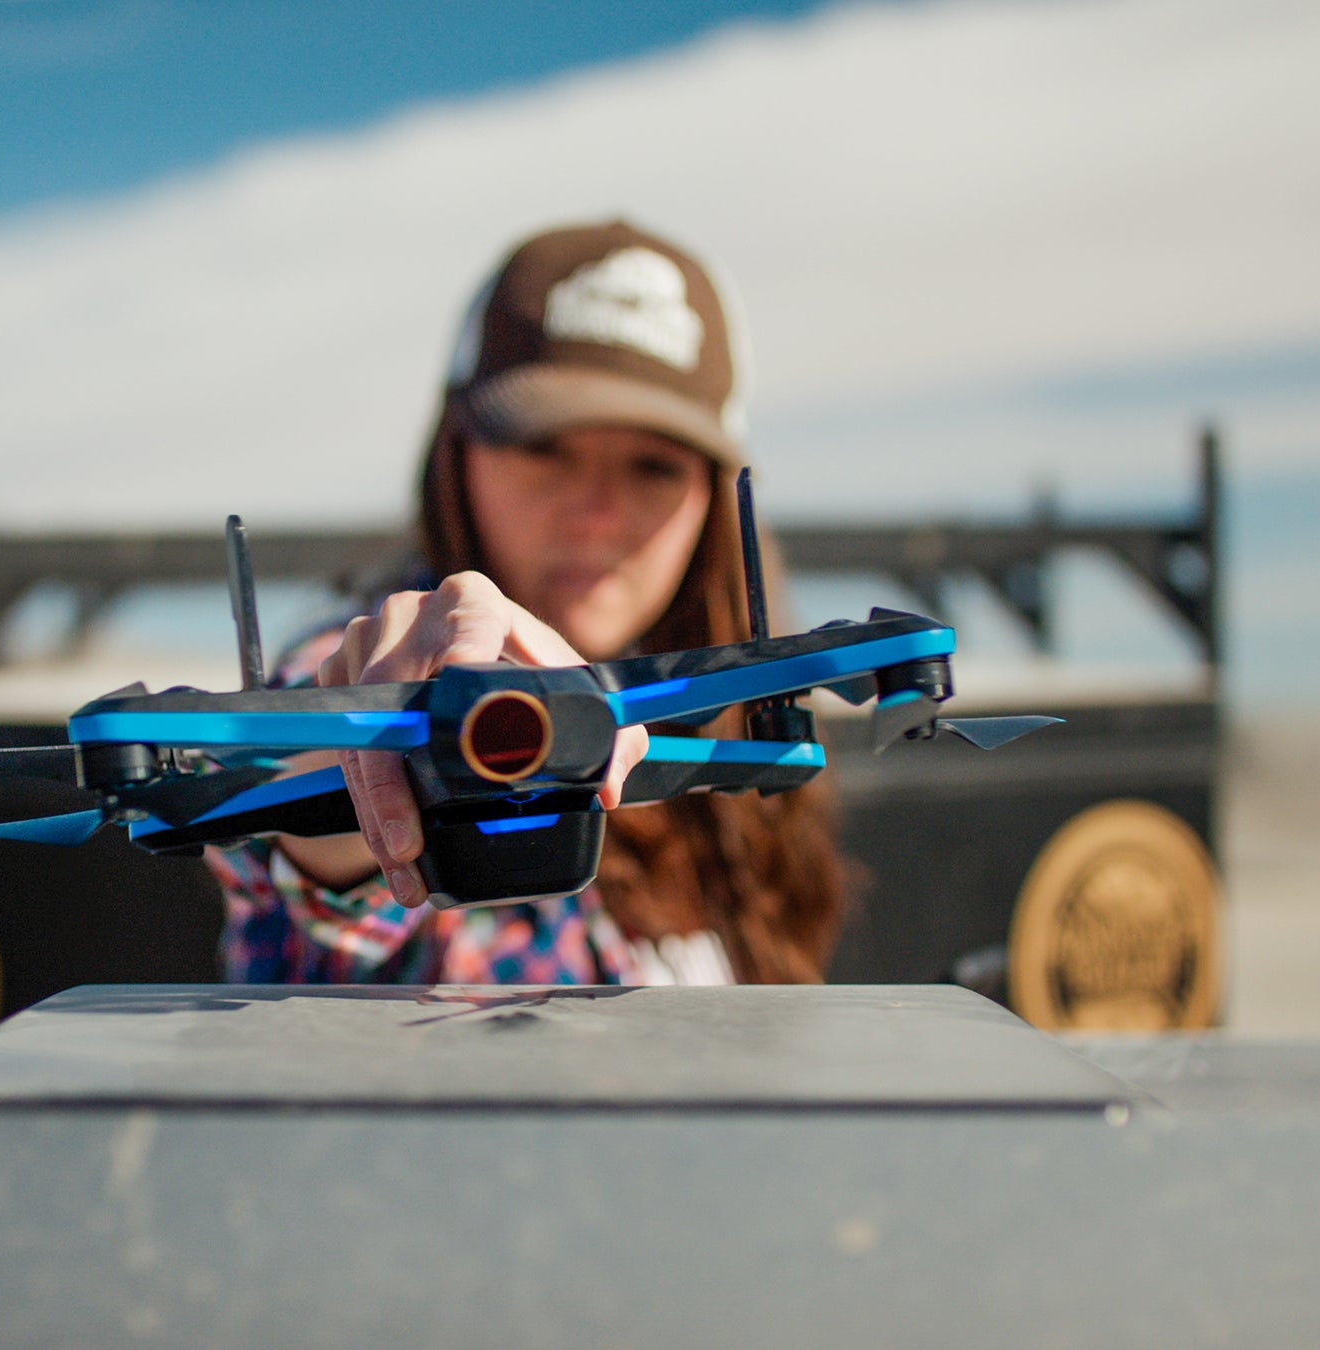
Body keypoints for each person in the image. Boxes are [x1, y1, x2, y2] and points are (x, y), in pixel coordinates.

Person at [205, 220, 846, 985]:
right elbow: (297, 832)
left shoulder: (739, 732)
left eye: (654, 466)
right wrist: (367, 748)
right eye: (546, 445)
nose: (598, 509)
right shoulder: (371, 671)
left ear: (715, 502)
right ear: (456, 457)